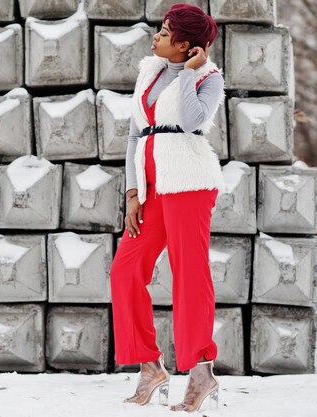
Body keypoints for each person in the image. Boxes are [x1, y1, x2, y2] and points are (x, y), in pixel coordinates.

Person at [109, 3, 226, 413]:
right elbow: (134, 135)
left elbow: (193, 122)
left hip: (189, 184)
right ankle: (150, 366)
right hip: (152, 186)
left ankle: (200, 373)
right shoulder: (151, 71)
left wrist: (193, 73)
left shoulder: (209, 79)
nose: (155, 37)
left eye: (163, 31)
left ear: (184, 44)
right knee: (125, 269)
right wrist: (132, 192)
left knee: (188, 273)